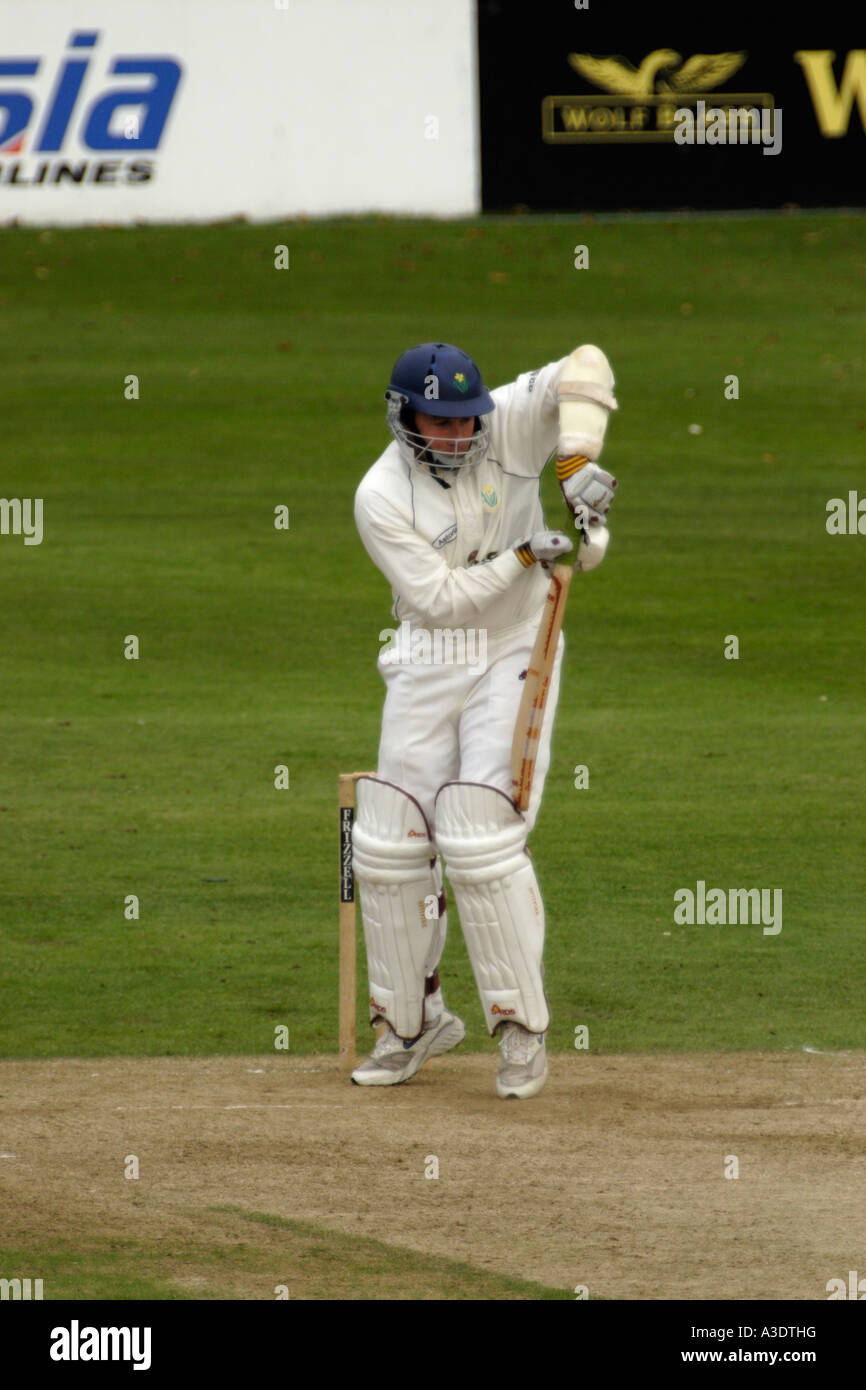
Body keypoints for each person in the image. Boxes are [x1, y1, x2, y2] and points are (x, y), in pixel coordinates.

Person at [350, 341, 617, 1097]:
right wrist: (524, 556)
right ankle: (410, 1023)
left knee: (479, 830)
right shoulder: (380, 494)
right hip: (432, 647)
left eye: (468, 420)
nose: (460, 435)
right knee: (387, 836)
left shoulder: (505, 421)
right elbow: (439, 600)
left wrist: (572, 462)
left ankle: (521, 1031)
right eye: (440, 422)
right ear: (405, 417)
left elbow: (587, 365)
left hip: (514, 646)